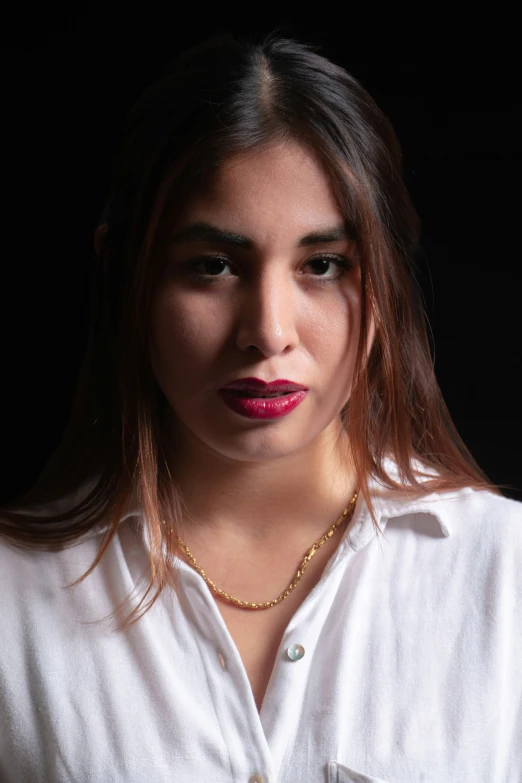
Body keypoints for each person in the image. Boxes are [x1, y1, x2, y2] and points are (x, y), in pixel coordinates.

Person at [0, 32, 520, 783]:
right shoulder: (16, 598)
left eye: (322, 265)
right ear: (125, 276)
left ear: (385, 287)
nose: (268, 331)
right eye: (213, 266)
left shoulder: (505, 580)